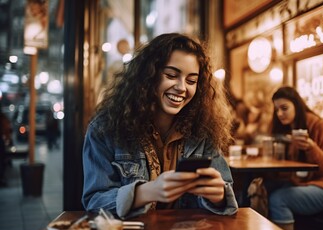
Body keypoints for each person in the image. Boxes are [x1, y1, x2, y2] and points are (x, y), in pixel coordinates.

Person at [82, 33, 238, 219]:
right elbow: (94, 201)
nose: (182, 87)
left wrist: (219, 196)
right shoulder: (106, 128)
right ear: (149, 76)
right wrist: (146, 192)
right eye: (171, 75)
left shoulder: (203, 129)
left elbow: (227, 198)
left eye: (191, 81)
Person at [266, 86, 323, 230]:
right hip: (304, 183)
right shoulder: (288, 129)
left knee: (278, 199)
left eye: (284, 108)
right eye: (276, 110)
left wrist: (311, 148)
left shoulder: (318, 125)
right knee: (265, 188)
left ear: (297, 105)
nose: (279, 113)